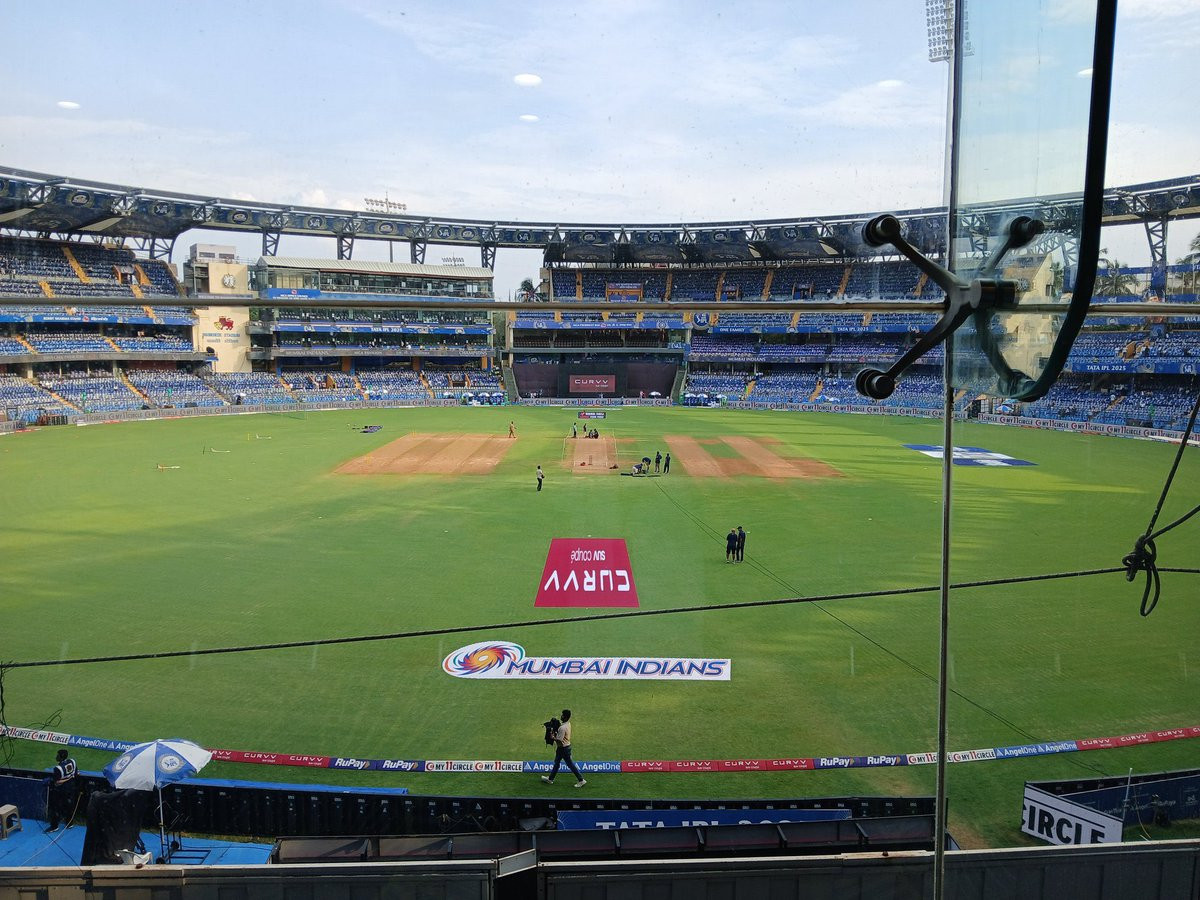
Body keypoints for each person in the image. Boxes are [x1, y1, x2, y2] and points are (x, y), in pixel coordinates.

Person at [541, 709, 586, 787]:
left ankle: (581, 780)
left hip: (563, 749)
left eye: (562, 715)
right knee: (557, 763)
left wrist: (552, 737)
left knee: (569, 764)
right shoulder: (568, 724)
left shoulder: (562, 728)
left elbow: (559, 740)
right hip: (565, 747)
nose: (561, 716)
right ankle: (550, 779)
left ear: (565, 717)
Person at [45, 747, 77, 832]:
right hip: (71, 788)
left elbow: (57, 782)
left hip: (61, 791)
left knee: (55, 808)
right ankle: (70, 823)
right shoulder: (72, 761)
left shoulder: (58, 768)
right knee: (69, 806)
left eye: (58, 755)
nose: (56, 756)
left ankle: (54, 826)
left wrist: (66, 779)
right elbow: (75, 773)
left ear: (61, 757)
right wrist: (69, 778)